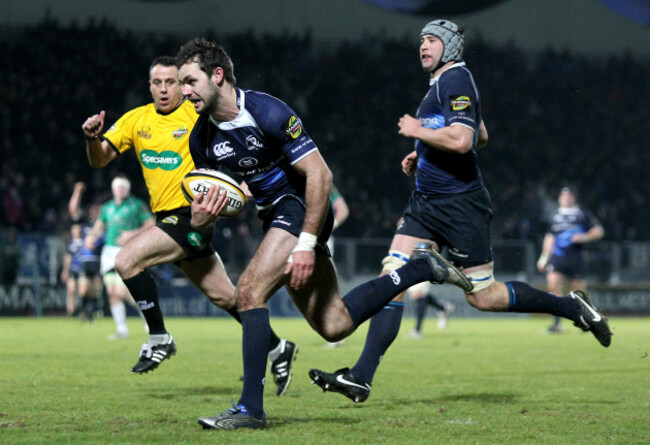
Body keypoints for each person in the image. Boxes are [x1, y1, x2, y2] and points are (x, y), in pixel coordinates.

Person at [309, 19, 612, 405]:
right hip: (426, 202)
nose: (423, 47)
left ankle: (569, 306)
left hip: (460, 206)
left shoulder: (456, 80)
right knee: (393, 271)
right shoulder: (442, 85)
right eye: (421, 41)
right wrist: (423, 153)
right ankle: (361, 376)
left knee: (483, 296)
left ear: (450, 47)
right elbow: (480, 134)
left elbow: (466, 139)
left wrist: (419, 132)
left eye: (432, 40)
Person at [175, 37, 469, 430]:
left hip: (301, 208)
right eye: (180, 83)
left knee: (248, 292)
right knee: (335, 323)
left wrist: (308, 244)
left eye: (190, 80)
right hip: (273, 215)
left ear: (217, 75)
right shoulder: (202, 140)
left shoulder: (268, 111)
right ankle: (420, 269)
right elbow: (229, 202)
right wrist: (201, 219)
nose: (183, 91)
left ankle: (250, 409)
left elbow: (320, 175)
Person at [81, 57, 297, 395]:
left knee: (126, 260)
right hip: (166, 220)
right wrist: (93, 139)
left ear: (182, 85)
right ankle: (278, 347)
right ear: (149, 85)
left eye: (171, 82)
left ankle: (159, 337)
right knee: (227, 296)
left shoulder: (197, 114)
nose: (164, 89)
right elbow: (100, 159)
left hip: (193, 215)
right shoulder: (136, 120)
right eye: (157, 82)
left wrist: (244, 188)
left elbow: (238, 145)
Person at [85, 175, 155, 338]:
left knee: (125, 292)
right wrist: (91, 237)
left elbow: (151, 223)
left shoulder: (137, 205)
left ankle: (149, 317)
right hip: (109, 253)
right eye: (118, 187)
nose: (120, 190)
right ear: (113, 189)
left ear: (128, 189)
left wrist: (131, 234)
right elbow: (100, 226)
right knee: (112, 292)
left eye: (123, 187)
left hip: (128, 251)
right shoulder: (107, 207)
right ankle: (122, 329)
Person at [537, 186, 605, 333]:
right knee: (554, 289)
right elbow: (550, 237)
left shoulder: (582, 214)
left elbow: (599, 231)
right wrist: (544, 257)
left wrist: (584, 237)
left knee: (578, 293)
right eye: (563, 196)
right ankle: (557, 324)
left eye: (569, 196)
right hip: (558, 257)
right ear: (559, 198)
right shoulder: (555, 215)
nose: (566, 198)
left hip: (577, 257)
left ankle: (586, 321)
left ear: (573, 198)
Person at [67, 181, 104, 321]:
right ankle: (84, 311)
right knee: (83, 289)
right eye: (93, 210)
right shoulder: (85, 223)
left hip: (98, 260)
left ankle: (93, 312)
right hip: (86, 260)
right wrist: (77, 192)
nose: (95, 212)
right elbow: (73, 210)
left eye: (98, 210)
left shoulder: (104, 224)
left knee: (95, 290)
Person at [325, 184, 349, 348]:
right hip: (294, 236)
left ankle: (338, 330)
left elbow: (343, 210)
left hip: (318, 238)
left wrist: (329, 226)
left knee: (326, 286)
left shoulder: (325, 183)